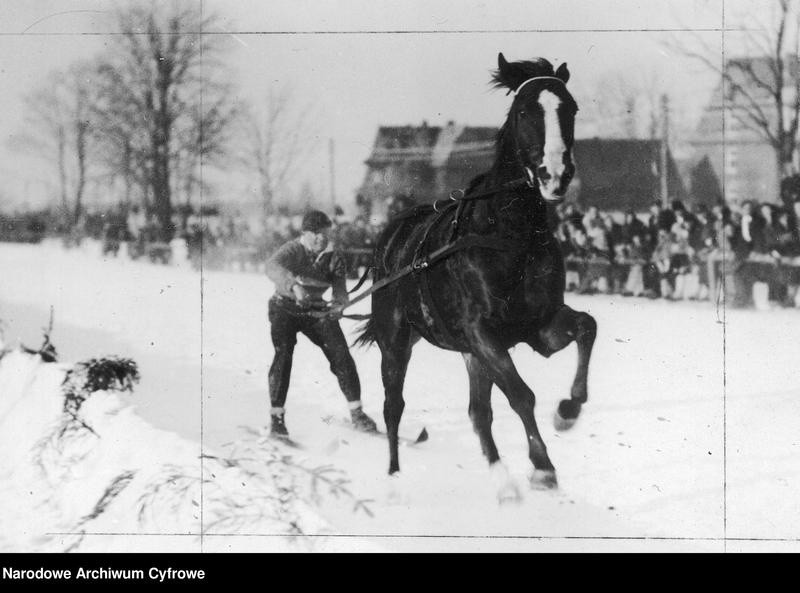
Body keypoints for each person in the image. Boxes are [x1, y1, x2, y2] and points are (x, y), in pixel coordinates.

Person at [265, 209, 378, 438]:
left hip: (316, 312)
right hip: (284, 308)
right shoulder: (293, 249)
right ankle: (277, 417)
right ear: (304, 233)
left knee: (341, 355)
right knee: (283, 355)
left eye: (324, 232)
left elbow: (340, 290)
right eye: (315, 233)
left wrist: (339, 305)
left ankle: (357, 413)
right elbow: (271, 266)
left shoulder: (334, 256)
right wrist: (294, 286)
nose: (320, 238)